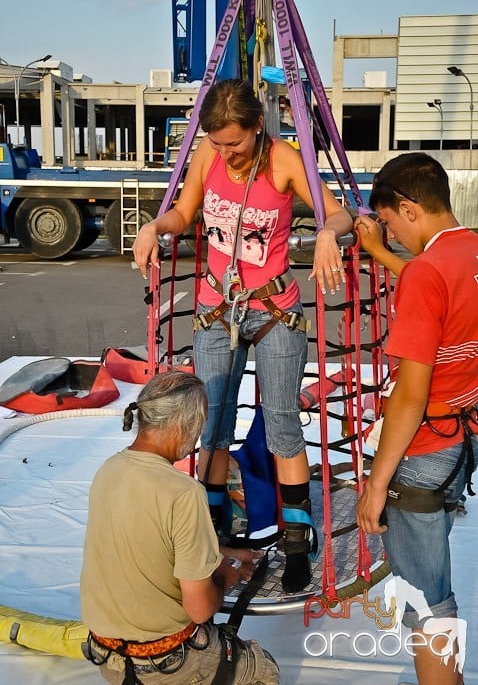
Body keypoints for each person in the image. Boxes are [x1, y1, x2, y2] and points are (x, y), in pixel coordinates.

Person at [132, 78, 353, 593]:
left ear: (257, 126)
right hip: (216, 308)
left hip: (275, 309)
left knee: (281, 423)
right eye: (217, 142)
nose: (226, 152)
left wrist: (325, 232)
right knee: (211, 423)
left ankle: (298, 540)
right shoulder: (208, 158)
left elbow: (338, 211)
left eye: (235, 142)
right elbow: (184, 211)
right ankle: (212, 527)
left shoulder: (284, 160)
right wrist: (153, 226)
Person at [354, 153, 478, 685]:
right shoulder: (469, 251)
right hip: (467, 430)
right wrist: (382, 253)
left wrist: (376, 484)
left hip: (428, 447)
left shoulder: (427, 272)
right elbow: (438, 292)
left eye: (388, 223)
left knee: (429, 600)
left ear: (408, 207)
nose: (390, 234)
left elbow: (409, 396)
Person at [80, 370, 280, 685]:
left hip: (109, 657)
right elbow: (199, 609)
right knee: (264, 671)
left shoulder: (109, 469)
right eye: (199, 426)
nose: (198, 435)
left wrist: (221, 550)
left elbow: (149, 537)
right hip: (165, 664)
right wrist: (227, 574)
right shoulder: (183, 492)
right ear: (183, 425)